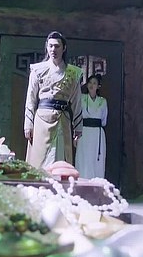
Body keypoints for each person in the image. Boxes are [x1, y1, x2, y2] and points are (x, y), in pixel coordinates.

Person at [24, 31, 83, 169]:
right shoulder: (38, 70)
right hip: (42, 120)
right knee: (40, 160)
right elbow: (31, 98)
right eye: (50, 46)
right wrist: (28, 124)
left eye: (57, 46)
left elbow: (77, 101)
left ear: (64, 48)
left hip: (63, 119)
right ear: (46, 47)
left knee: (60, 160)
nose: (53, 50)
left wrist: (78, 127)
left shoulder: (73, 73)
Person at [75, 74, 108, 179]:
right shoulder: (82, 98)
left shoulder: (103, 101)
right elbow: (77, 115)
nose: (91, 85)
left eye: (94, 83)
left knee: (96, 159)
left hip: (97, 133)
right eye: (90, 82)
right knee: (84, 158)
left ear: (98, 86)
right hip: (84, 132)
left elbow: (104, 120)